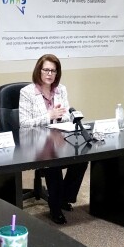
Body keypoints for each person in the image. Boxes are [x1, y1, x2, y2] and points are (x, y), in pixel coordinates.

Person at [19, 54, 88, 224]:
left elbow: (65, 117)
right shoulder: (27, 92)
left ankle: (64, 197)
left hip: (58, 138)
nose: (50, 74)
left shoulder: (61, 89)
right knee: (53, 163)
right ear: (39, 71)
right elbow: (24, 124)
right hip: (35, 143)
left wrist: (61, 117)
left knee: (82, 158)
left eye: (53, 71)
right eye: (46, 70)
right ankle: (55, 207)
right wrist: (48, 115)